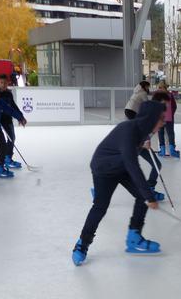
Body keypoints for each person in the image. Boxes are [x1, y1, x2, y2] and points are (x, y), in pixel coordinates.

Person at [71, 100, 166, 266]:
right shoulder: (129, 131)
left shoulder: (142, 131)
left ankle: (134, 238)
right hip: (104, 169)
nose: (163, 123)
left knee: (141, 196)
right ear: (151, 118)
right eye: (161, 119)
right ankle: (82, 244)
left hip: (120, 166)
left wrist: (146, 195)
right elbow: (133, 166)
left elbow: (132, 158)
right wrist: (150, 196)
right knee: (100, 207)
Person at [154, 81, 180, 158]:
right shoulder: (170, 95)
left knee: (161, 133)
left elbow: (153, 106)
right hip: (169, 118)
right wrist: (171, 114)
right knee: (170, 133)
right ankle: (172, 150)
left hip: (159, 118)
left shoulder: (156, 95)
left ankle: (162, 151)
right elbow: (174, 106)